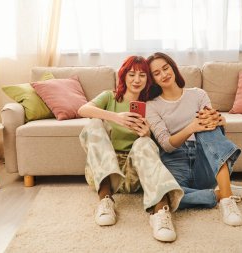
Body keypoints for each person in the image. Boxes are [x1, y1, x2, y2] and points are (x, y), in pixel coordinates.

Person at [146, 52, 242, 226]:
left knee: (208, 126)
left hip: (204, 158)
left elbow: (212, 125)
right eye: (157, 73)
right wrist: (191, 127)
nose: (164, 74)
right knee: (170, 196)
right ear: (153, 79)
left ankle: (227, 200)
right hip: (175, 160)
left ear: (173, 67)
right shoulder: (152, 105)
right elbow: (166, 145)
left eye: (166, 68)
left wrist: (218, 120)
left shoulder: (198, 94)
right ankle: (222, 191)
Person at [78, 55, 184, 242]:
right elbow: (82, 110)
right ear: (123, 76)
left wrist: (146, 134)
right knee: (93, 124)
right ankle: (105, 200)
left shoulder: (151, 105)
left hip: (134, 174)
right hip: (104, 172)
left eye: (142, 75)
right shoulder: (109, 97)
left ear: (148, 80)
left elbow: (158, 144)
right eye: (132, 74)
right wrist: (116, 117)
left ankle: (160, 211)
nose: (136, 80)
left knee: (145, 142)